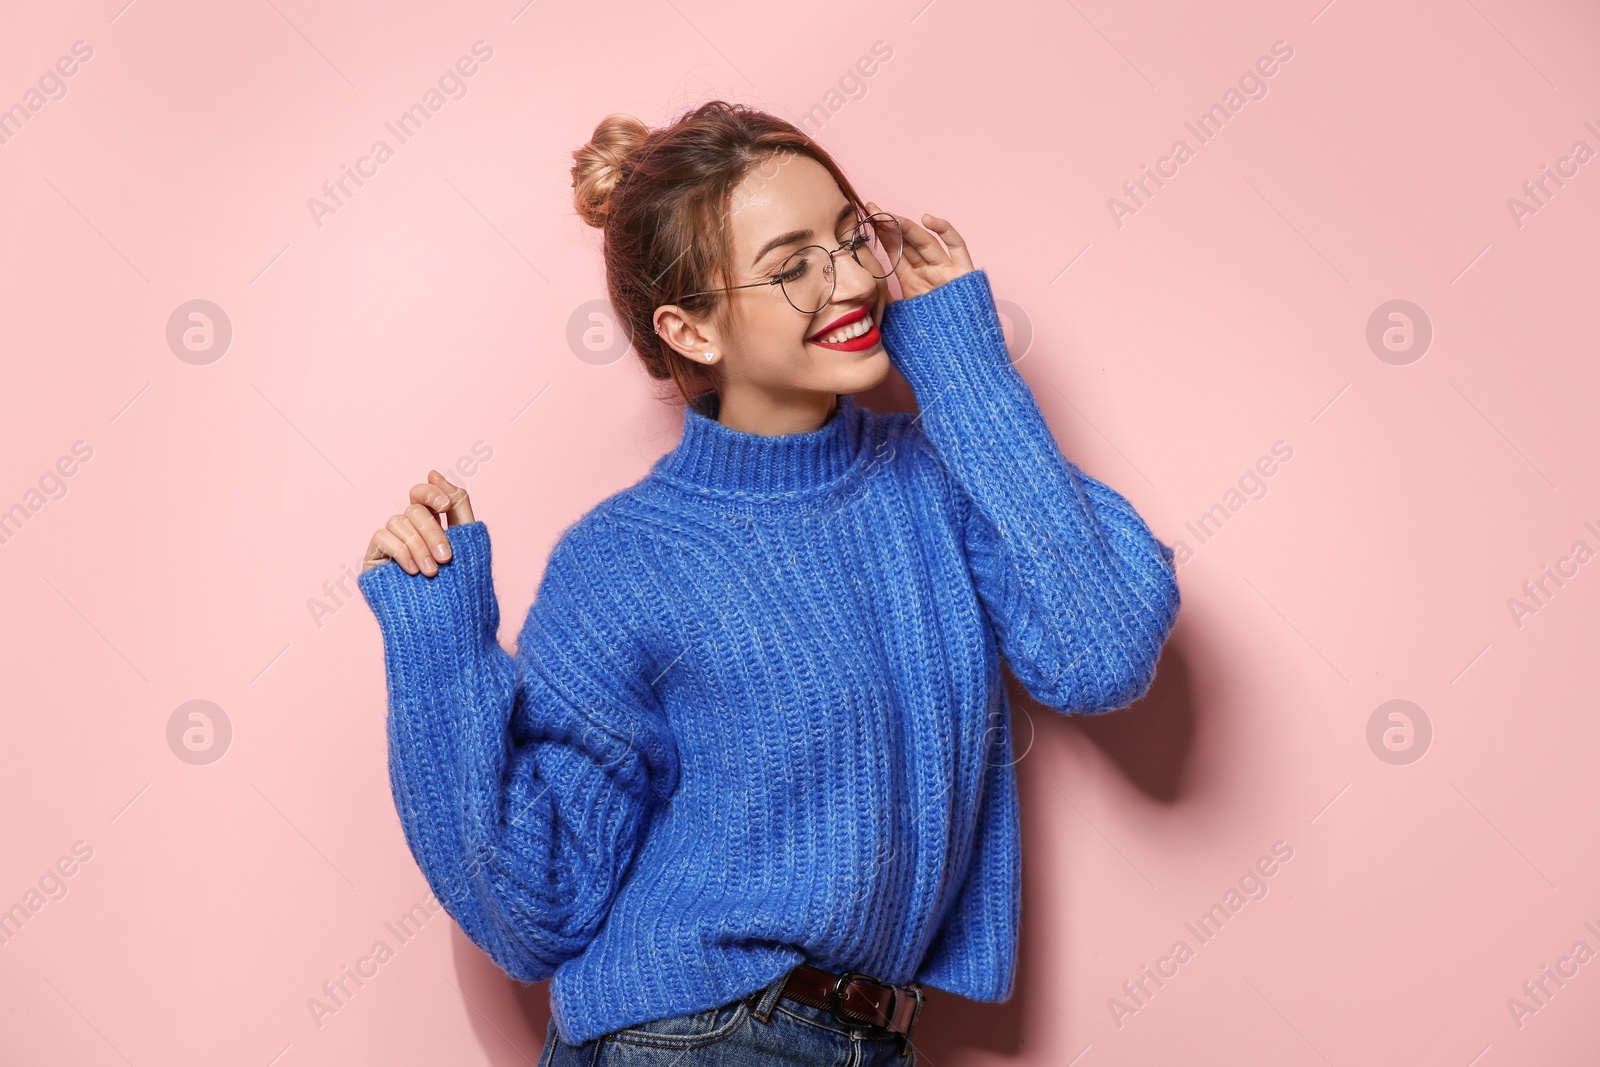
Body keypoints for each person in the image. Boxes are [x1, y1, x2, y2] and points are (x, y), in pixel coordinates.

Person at [357, 100, 1181, 1066]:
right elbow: (537, 907)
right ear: (691, 329)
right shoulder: (625, 559)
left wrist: (964, 363)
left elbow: (1104, 651)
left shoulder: (943, 477)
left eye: (851, 237)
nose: (852, 281)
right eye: (792, 267)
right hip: (694, 1036)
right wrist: (439, 650)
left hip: (860, 1039)